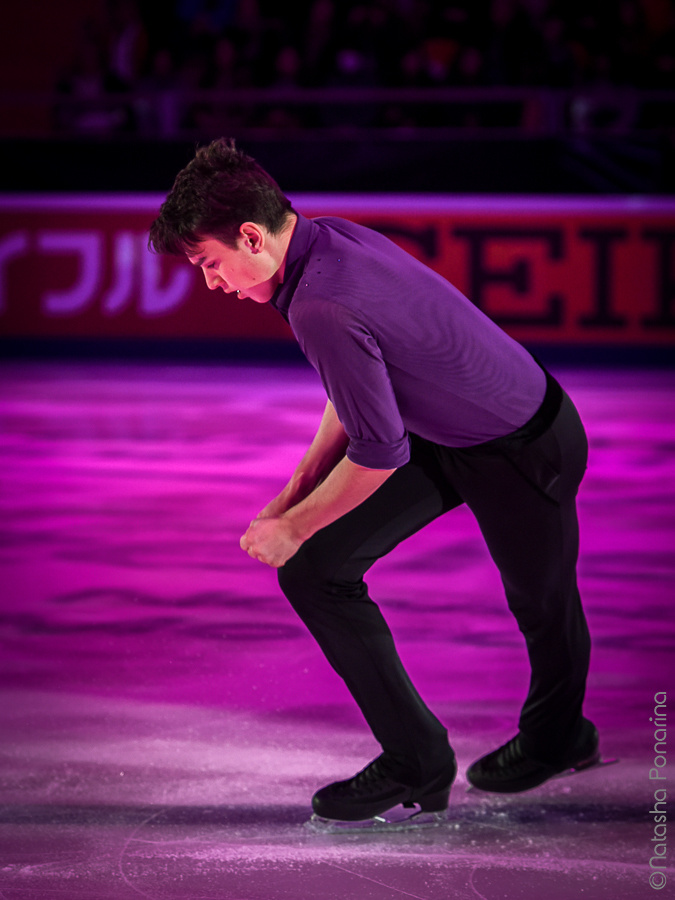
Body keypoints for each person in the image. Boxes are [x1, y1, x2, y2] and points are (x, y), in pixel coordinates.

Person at [148, 138, 600, 823]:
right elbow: (361, 385)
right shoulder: (325, 240)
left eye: (209, 265)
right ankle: (417, 759)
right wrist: (299, 485)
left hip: (525, 447)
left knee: (540, 605)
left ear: (249, 236)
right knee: (316, 571)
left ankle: (558, 736)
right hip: (445, 434)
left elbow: (378, 452)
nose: (213, 283)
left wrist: (292, 525)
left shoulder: (319, 305)